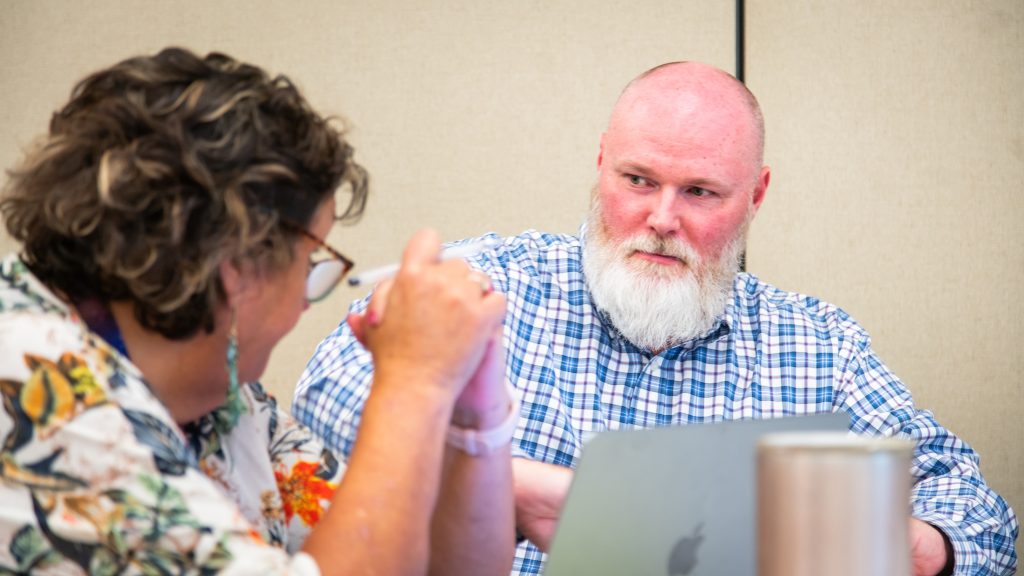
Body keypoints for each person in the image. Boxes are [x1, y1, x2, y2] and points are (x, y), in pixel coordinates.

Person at [294, 61, 1019, 575]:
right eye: (637, 180)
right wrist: (509, 484)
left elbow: (979, 512)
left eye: (702, 192)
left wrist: (910, 546)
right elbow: (328, 396)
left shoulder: (818, 346)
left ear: (756, 195)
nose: (661, 219)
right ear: (600, 162)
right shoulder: (491, 282)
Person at [0, 47, 517, 575]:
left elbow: (425, 561)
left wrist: (474, 411)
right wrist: (415, 378)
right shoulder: (32, 376)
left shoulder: (234, 410)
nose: (304, 298)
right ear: (237, 265)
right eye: (311, 260)